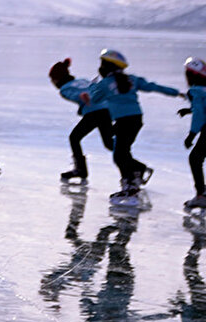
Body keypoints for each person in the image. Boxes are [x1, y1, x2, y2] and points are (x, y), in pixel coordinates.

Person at [82, 47, 180, 199]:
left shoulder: (105, 84)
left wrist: (93, 85)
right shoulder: (132, 79)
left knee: (119, 155)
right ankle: (138, 171)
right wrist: (176, 92)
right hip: (135, 119)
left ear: (106, 67)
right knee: (120, 150)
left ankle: (130, 187)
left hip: (123, 121)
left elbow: (94, 99)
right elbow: (153, 86)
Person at [48, 58, 112, 184]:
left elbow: (80, 96)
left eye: (52, 80)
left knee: (74, 138)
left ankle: (80, 169)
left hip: (95, 112)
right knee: (109, 143)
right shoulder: (81, 80)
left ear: (57, 79)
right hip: (106, 109)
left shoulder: (64, 89)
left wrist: (83, 102)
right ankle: (137, 167)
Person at [180, 56, 206, 211]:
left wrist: (191, 135)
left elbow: (200, 114)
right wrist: (189, 110)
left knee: (195, 158)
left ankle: (201, 196)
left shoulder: (195, 90)